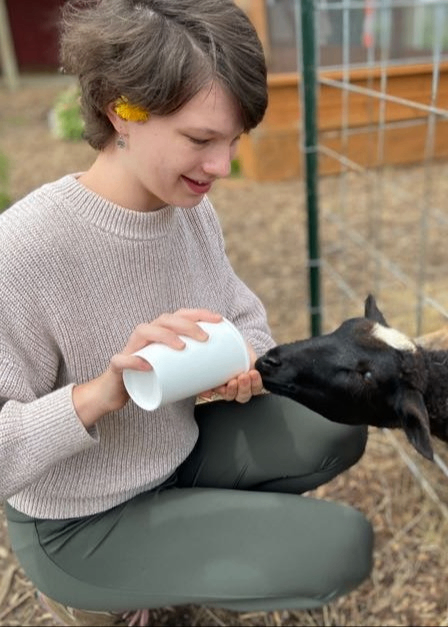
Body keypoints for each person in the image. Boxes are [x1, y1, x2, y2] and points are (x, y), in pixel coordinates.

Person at [0, 1, 374, 625]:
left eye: (233, 141)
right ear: (124, 107)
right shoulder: (24, 249)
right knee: (340, 547)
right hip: (78, 518)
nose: (221, 167)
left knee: (336, 418)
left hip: (176, 453)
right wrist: (102, 392)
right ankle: (84, 599)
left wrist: (244, 362)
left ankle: (172, 544)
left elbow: (243, 314)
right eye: (201, 140)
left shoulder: (189, 210)